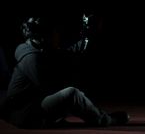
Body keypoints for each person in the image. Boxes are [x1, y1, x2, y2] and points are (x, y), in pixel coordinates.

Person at [0, 16, 129, 129]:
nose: (57, 33)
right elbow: (50, 87)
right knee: (71, 94)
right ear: (43, 34)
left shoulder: (38, 49)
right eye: (54, 31)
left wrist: (87, 36)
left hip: (31, 108)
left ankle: (97, 115)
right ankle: (105, 120)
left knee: (73, 94)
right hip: (26, 115)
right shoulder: (31, 58)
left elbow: (67, 54)